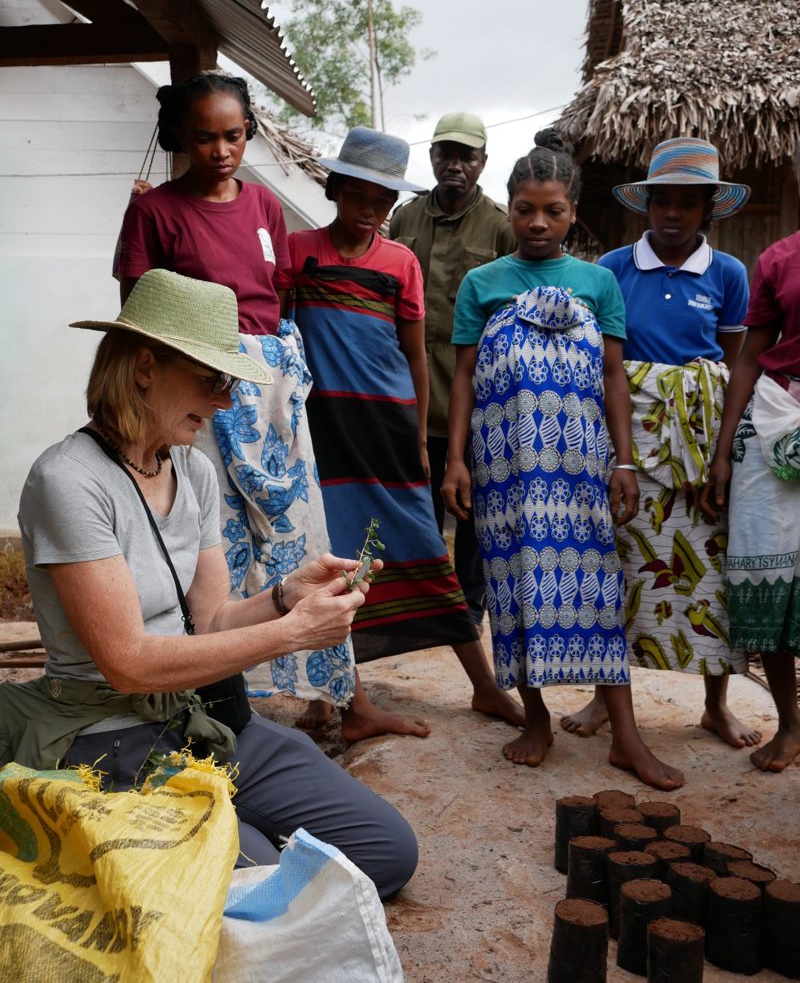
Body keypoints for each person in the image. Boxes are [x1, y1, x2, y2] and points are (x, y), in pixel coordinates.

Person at [4, 270, 417, 899]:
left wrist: (287, 596)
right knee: (257, 892)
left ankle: (236, 829)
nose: (224, 402)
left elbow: (213, 619)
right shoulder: (69, 480)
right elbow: (128, 665)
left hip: (197, 716)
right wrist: (290, 635)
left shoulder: (190, 469)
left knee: (385, 853)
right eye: (211, 380)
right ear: (145, 368)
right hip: (104, 731)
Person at [443, 130, 684, 790]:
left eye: (553, 210)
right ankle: (537, 719)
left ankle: (626, 736)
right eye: (525, 209)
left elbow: (613, 376)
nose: (538, 223)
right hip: (505, 466)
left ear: (573, 211)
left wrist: (624, 463)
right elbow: (463, 377)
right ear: (509, 209)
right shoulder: (483, 283)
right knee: (514, 587)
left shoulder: (598, 282)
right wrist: (455, 460)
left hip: (580, 464)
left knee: (598, 589)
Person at [276, 127, 524, 740]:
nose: (369, 210)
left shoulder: (399, 262)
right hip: (323, 427)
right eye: (357, 195)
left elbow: (415, 355)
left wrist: (416, 434)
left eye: (382, 200)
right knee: (330, 557)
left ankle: (484, 686)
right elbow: (281, 337)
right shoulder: (297, 251)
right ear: (335, 189)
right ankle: (332, 697)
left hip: (387, 426)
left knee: (422, 546)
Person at [114, 72, 353, 708]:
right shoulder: (155, 211)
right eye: (204, 138)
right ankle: (221, 690)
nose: (221, 151)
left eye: (234, 135)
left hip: (271, 388)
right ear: (179, 136)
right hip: (199, 386)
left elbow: (276, 297)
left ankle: (316, 689)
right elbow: (137, 316)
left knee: (295, 528)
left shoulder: (265, 206)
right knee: (215, 531)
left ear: (248, 131)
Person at [560, 137, 759, 750]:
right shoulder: (614, 268)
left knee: (709, 572)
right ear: (646, 205)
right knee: (617, 563)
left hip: (697, 446)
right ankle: (604, 698)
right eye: (662, 201)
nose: (673, 214)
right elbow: (602, 361)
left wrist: (722, 454)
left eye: (688, 203)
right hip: (625, 437)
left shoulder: (727, 274)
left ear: (709, 210)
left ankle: (716, 705)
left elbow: (731, 366)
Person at [390, 112, 516, 626]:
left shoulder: (501, 225)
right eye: (446, 154)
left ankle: (469, 607)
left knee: (473, 507)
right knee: (415, 502)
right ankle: (421, 600)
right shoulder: (405, 218)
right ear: (432, 157)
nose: (455, 165)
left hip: (475, 395)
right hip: (413, 391)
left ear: (483, 162)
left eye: (467, 156)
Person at [702, 230, 800, 773]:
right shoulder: (779, 258)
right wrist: (723, 451)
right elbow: (750, 357)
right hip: (774, 420)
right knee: (767, 575)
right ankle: (791, 725)